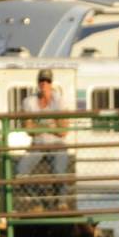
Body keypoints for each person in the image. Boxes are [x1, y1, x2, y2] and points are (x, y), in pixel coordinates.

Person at [17, 69, 72, 201]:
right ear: (38, 83)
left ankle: (61, 202)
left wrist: (39, 125)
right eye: (41, 80)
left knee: (59, 173)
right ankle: (39, 197)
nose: (44, 83)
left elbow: (63, 131)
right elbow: (28, 130)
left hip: (57, 145)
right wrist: (51, 124)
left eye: (47, 81)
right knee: (20, 173)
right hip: (38, 144)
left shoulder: (59, 100)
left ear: (51, 83)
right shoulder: (29, 101)